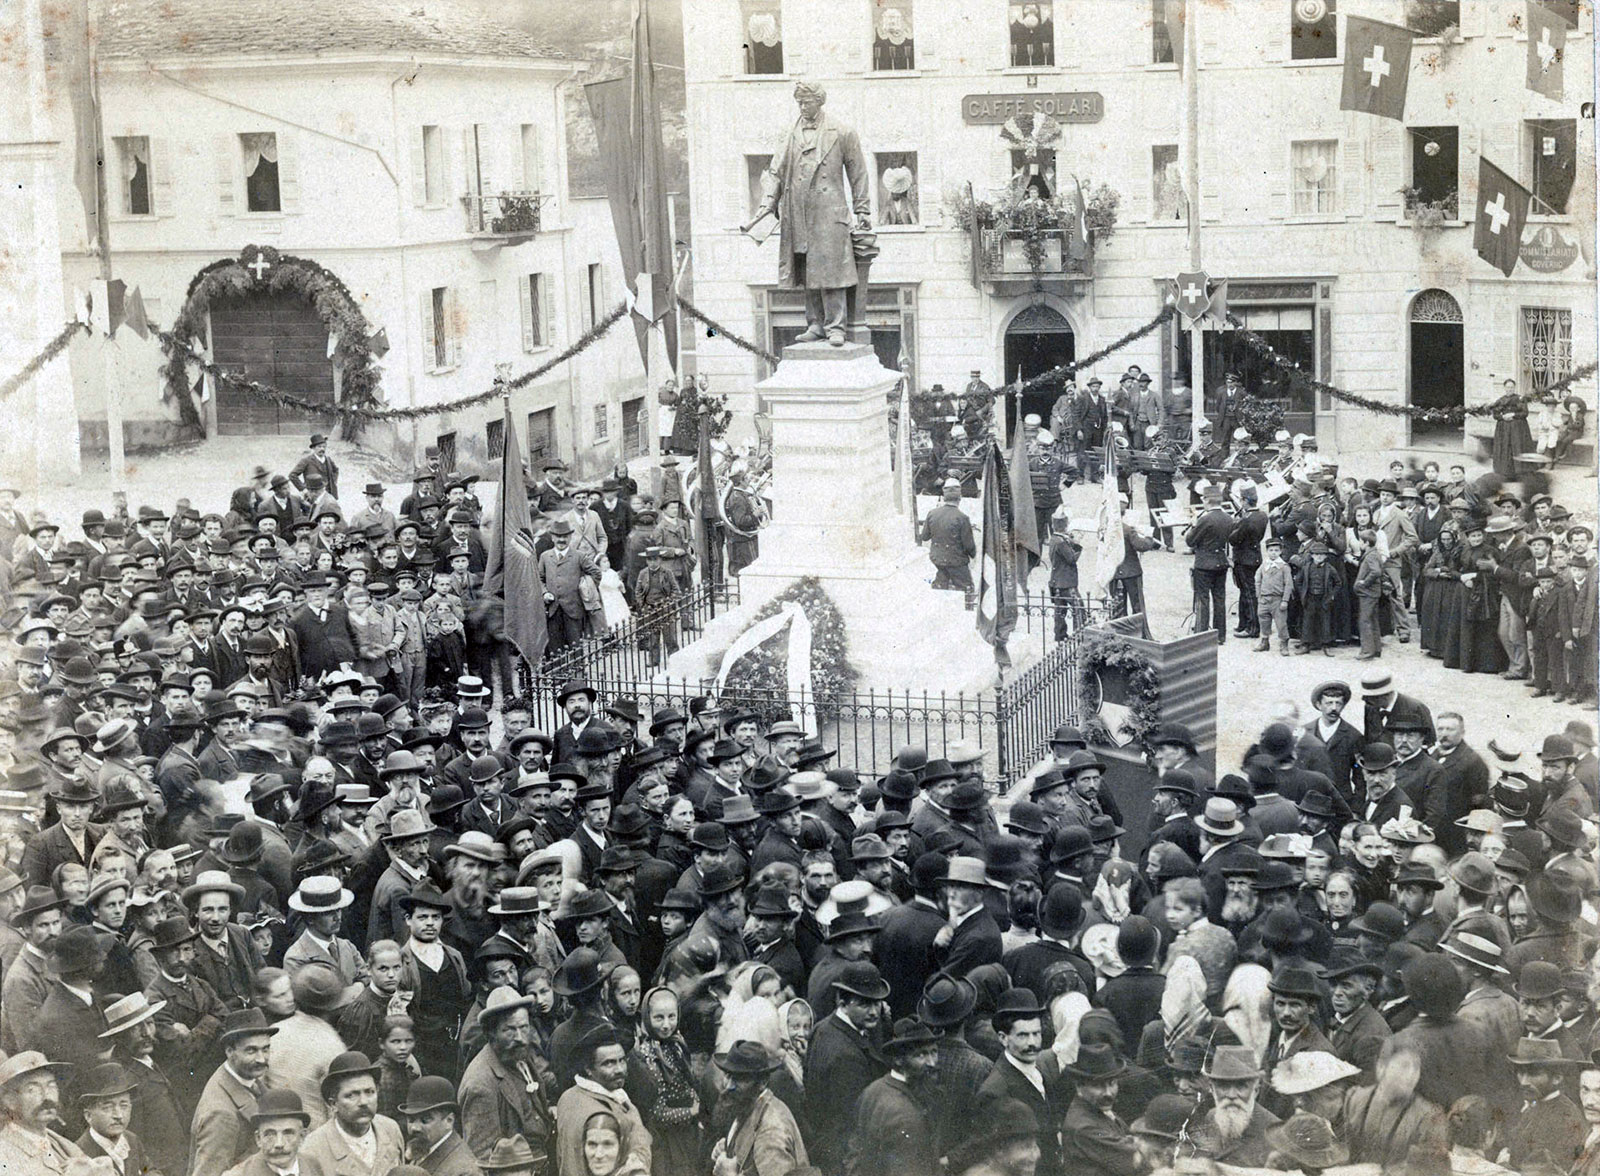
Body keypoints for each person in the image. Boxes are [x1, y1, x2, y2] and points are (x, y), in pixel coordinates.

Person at [743, 82, 871, 347]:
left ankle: (836, 326)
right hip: (797, 211)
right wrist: (767, 205)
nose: (803, 107)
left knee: (830, 270)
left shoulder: (843, 131)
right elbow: (775, 172)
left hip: (828, 212)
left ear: (819, 102)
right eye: (799, 102)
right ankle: (815, 324)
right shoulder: (789, 134)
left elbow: (858, 172)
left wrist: (862, 209)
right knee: (806, 268)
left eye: (808, 102)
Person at [848, 1016, 942, 1176]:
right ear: (898, 1059)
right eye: (921, 1055)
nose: (932, 1063)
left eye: (934, 1052)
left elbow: (854, 1156)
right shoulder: (906, 1116)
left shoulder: (874, 1090)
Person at [710, 1039, 808, 1176]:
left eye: (740, 1078)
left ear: (762, 1082)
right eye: (728, 1075)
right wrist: (729, 1147)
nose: (729, 1085)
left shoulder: (772, 1131)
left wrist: (730, 1174)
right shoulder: (749, 1104)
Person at [301, 1050, 407, 1176]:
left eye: (369, 1092)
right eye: (351, 1095)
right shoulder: (312, 1149)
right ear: (333, 1104)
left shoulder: (390, 1129)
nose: (363, 1102)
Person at [1186, 485, 1231, 644]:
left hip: (1204, 563)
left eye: (1203, 499)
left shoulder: (1205, 519)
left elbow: (1190, 541)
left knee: (1203, 599)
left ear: (1207, 500)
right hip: (1221, 562)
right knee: (1220, 599)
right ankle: (1220, 635)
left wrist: (1193, 525)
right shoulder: (1228, 517)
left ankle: (1202, 634)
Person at [922, 480, 977, 594]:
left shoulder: (932, 513)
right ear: (959, 498)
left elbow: (925, 537)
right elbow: (969, 546)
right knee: (965, 591)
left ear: (944, 497)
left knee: (939, 592)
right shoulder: (962, 518)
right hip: (957, 562)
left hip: (937, 561)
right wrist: (973, 554)